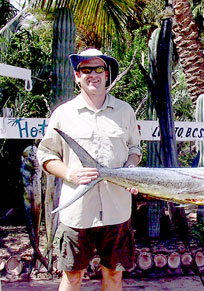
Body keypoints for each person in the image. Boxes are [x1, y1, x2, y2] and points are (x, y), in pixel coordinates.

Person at [37, 48, 141, 291]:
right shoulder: (63, 114)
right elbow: (46, 154)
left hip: (117, 210)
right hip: (77, 212)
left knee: (114, 275)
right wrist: (69, 174)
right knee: (72, 277)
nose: (92, 75)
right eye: (86, 70)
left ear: (107, 74)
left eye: (98, 69)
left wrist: (131, 169)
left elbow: (135, 148)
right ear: (76, 76)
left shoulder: (125, 111)